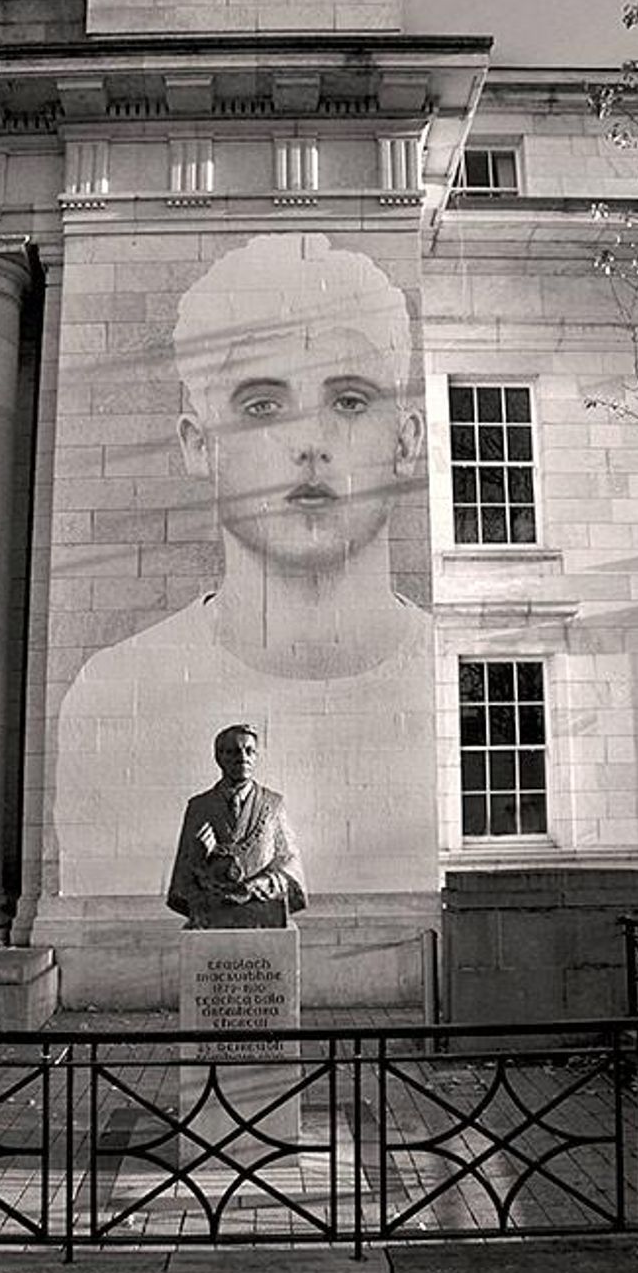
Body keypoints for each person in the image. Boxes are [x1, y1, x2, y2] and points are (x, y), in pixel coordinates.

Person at [53, 231, 437, 907]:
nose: (310, 443)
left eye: (349, 400)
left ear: (406, 437)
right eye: (263, 406)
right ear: (198, 444)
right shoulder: (110, 694)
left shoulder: (449, 671)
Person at [167, 723, 307, 929]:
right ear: (219, 757)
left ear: (256, 756)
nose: (242, 757)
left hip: (262, 906)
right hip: (212, 910)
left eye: (249, 750)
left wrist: (262, 884)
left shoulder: (273, 804)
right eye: (232, 751)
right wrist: (197, 857)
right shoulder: (199, 807)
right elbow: (182, 882)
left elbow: (290, 865)